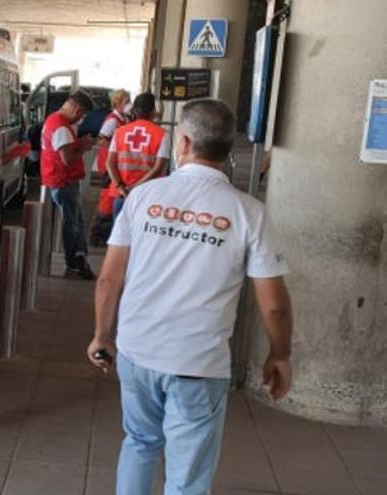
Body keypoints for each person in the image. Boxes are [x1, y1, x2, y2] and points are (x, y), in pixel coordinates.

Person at [87, 99, 293, 495]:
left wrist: (102, 336)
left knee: (140, 442)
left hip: (137, 351)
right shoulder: (249, 212)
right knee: (187, 478)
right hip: (197, 364)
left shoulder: (142, 198)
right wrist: (279, 353)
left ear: (182, 143)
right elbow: (274, 303)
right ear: (228, 149)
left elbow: (109, 280)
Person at [40, 90, 96, 279]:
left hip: (58, 179)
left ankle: (78, 257)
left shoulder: (53, 120)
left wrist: (79, 142)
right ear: (76, 108)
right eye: (82, 114)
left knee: (75, 221)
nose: (81, 118)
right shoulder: (61, 127)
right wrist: (84, 147)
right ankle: (74, 262)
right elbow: (67, 158)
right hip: (63, 181)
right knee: (71, 224)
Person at [106, 93, 169, 219]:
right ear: (154, 111)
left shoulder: (120, 132)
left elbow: (110, 163)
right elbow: (158, 168)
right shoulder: (162, 134)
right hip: (147, 195)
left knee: (119, 236)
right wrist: (135, 187)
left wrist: (121, 187)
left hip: (121, 194)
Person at [89, 89, 131, 247]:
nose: (129, 104)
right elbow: (101, 139)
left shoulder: (122, 119)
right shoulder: (113, 120)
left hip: (113, 164)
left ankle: (104, 234)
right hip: (108, 165)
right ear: (119, 103)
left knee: (110, 198)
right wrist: (116, 149)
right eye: (127, 101)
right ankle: (97, 235)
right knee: (107, 200)